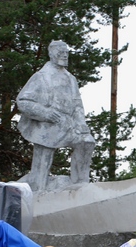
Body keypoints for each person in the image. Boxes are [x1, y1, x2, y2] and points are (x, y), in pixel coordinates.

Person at [16, 40, 95, 191]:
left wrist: (81, 123)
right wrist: (45, 113)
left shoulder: (71, 79)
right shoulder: (41, 76)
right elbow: (23, 101)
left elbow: (77, 104)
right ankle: (38, 191)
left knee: (86, 141)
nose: (64, 55)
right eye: (61, 52)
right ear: (51, 53)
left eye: (66, 53)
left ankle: (80, 185)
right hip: (46, 126)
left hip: (68, 124)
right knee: (43, 159)